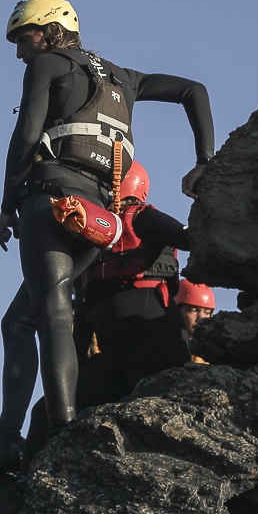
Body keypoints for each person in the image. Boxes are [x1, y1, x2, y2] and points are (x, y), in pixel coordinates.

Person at [0, 0, 214, 475]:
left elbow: (24, 137)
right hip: (102, 215)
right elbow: (194, 90)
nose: (21, 51)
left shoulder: (48, 64)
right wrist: (205, 160)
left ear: (54, 31)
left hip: (54, 199)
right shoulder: (125, 77)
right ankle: (6, 438)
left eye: (26, 37)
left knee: (53, 312)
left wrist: (5, 206)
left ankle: (57, 432)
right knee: (20, 320)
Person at [71, 161, 193, 410]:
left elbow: (186, 237)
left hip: (138, 336)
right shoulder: (99, 231)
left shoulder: (133, 220)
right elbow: (187, 236)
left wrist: (73, 370)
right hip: (135, 339)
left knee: (66, 406)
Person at [174, 278, 217, 362]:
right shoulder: (161, 344)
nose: (200, 318)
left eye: (207, 312)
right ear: (177, 310)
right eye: (194, 310)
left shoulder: (212, 352)